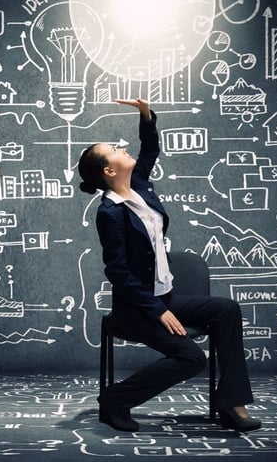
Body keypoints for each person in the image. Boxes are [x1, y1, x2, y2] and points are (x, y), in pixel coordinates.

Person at [78, 98, 261, 433]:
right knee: (192, 358)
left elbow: (149, 148)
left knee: (227, 310)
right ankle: (116, 399)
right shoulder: (110, 212)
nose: (123, 148)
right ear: (108, 170)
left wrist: (145, 115)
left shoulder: (140, 186)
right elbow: (117, 272)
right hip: (137, 310)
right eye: (115, 150)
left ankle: (231, 404)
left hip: (167, 298)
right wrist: (157, 310)